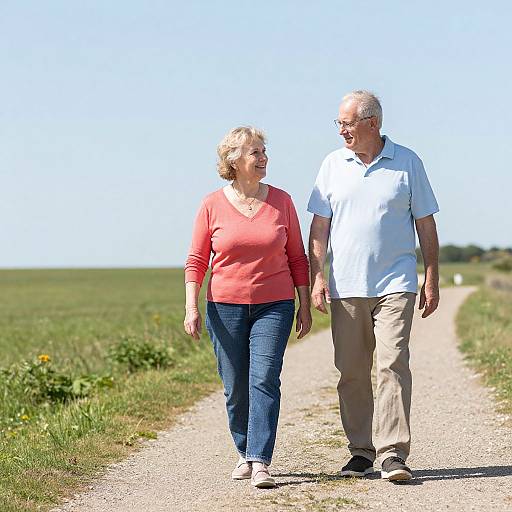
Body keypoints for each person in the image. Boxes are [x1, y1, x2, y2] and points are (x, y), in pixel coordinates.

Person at [308, 91, 439, 481]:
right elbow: (319, 227)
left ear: (373, 123)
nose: (342, 130)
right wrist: (317, 275)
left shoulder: (407, 162)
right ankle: (361, 452)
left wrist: (430, 276)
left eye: (347, 122)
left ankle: (393, 453)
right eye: (339, 123)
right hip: (345, 285)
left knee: (392, 363)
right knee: (351, 370)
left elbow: (426, 224)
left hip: (396, 281)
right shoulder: (332, 164)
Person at [184, 126, 312, 488]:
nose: (263, 158)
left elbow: (297, 258)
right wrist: (191, 307)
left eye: (263, 151)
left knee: (264, 379)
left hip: (275, 304)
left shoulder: (282, 202)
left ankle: (259, 459)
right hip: (224, 307)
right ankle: (243, 450)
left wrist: (303, 304)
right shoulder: (211, 204)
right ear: (234, 160)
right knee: (235, 386)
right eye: (255, 152)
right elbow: (196, 260)